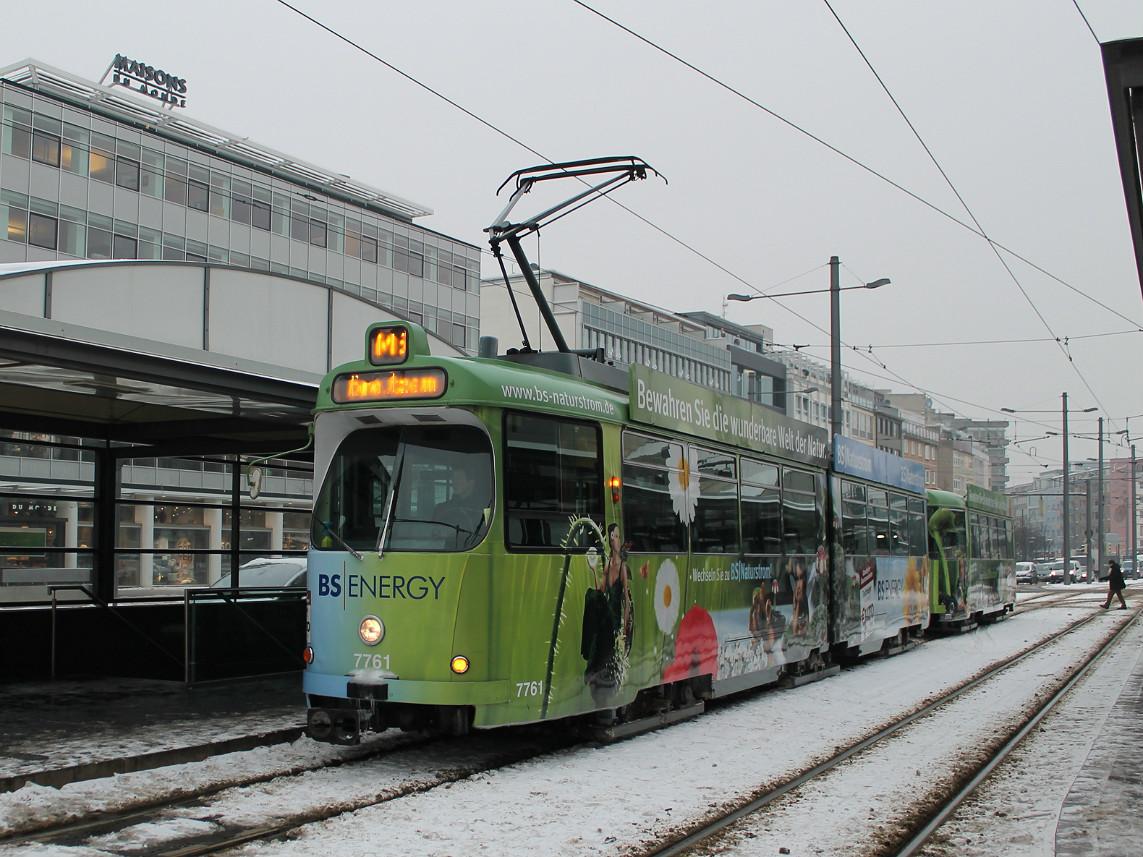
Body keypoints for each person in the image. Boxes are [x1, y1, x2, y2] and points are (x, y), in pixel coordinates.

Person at [581, 523, 633, 699]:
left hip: (615, 618)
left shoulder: (622, 567)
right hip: (607, 614)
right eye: (614, 537)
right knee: (592, 595)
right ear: (611, 541)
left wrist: (625, 631)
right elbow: (601, 591)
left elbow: (626, 600)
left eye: (618, 537)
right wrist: (594, 570)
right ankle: (590, 657)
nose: (616, 540)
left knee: (596, 603)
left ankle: (593, 663)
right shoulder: (608, 565)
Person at [433, 462, 489, 544]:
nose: (454, 482)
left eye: (458, 478)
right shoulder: (442, 509)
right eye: (453, 479)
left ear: (471, 482)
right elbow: (433, 535)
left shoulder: (486, 508)